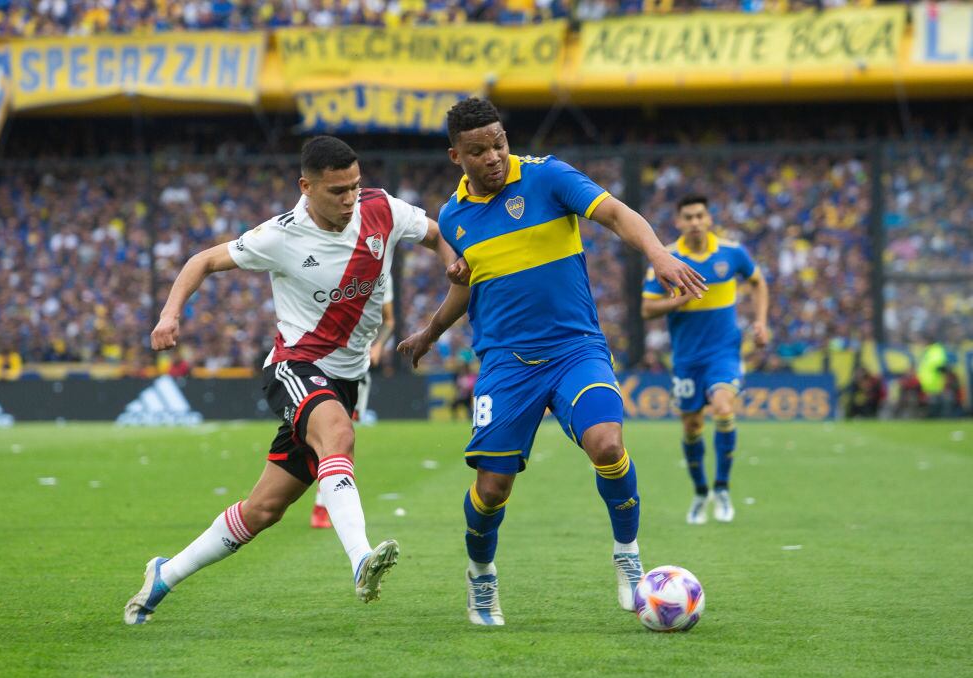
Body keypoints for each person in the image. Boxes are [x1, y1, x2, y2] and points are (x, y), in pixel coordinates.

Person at [124, 136, 462, 625]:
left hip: (346, 377)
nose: (349, 199)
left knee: (262, 511)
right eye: (337, 190)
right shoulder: (279, 236)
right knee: (339, 434)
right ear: (306, 187)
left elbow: (433, 234)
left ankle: (164, 575)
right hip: (295, 367)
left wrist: (455, 266)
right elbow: (202, 261)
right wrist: (169, 316)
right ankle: (361, 559)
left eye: (354, 186)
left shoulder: (381, 209)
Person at [398, 98, 706, 626]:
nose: (494, 156)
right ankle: (481, 574)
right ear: (457, 156)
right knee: (492, 488)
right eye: (479, 150)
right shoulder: (453, 217)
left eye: (499, 143)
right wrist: (430, 331)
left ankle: (628, 555)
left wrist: (657, 254)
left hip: (575, 349)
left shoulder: (549, 177)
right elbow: (470, 285)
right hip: (505, 363)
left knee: (607, 442)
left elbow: (614, 213)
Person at [641, 194, 769, 526]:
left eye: (700, 215)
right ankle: (700, 492)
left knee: (724, 407)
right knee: (692, 426)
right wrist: (677, 301)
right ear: (679, 222)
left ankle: (723, 488)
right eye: (688, 217)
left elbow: (758, 282)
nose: (695, 222)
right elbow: (647, 308)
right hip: (686, 357)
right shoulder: (666, 258)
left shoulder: (732, 252)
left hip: (724, 351)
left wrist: (761, 321)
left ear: (708, 218)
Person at [310, 276, 395, 529]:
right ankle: (323, 506)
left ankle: (323, 506)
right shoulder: (328, 259)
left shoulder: (381, 270)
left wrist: (378, 346)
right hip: (318, 360)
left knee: (342, 435)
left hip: (355, 368)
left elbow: (389, 320)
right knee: (328, 435)